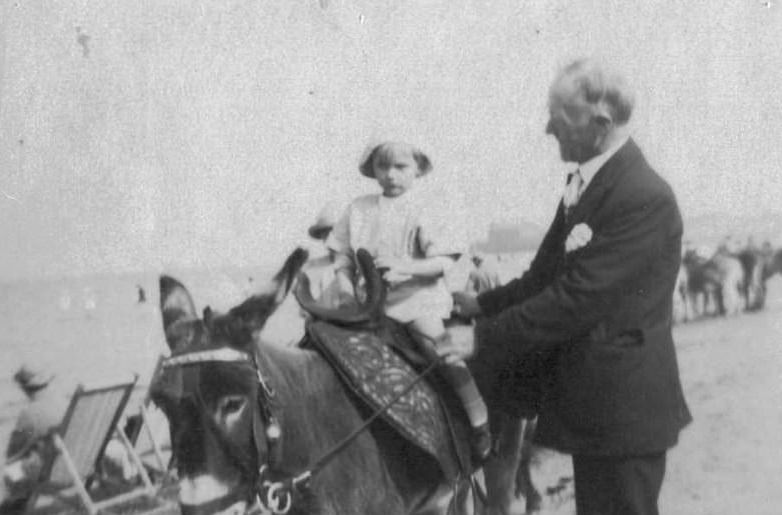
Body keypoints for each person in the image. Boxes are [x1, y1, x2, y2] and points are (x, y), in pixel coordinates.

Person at [442, 59, 692, 514]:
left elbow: (575, 297)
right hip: (599, 408)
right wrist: (481, 302)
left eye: (560, 117)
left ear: (601, 123)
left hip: (624, 410)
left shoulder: (642, 195)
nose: (547, 129)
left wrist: (480, 338)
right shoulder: (589, 183)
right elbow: (542, 277)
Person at [328, 140, 491, 460]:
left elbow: (444, 262)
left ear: (417, 168)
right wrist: (346, 290)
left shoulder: (425, 207)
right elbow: (343, 260)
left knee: (442, 350)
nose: (390, 175)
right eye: (382, 167)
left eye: (400, 167)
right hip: (368, 304)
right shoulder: (359, 209)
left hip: (416, 300)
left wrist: (406, 267)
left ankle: (478, 419)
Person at [1, 366, 68, 512]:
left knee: (11, 470)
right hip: (76, 465)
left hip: (52, 473)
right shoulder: (64, 402)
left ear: (24, 389)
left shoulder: (30, 413)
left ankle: (15, 509)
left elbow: (14, 453)